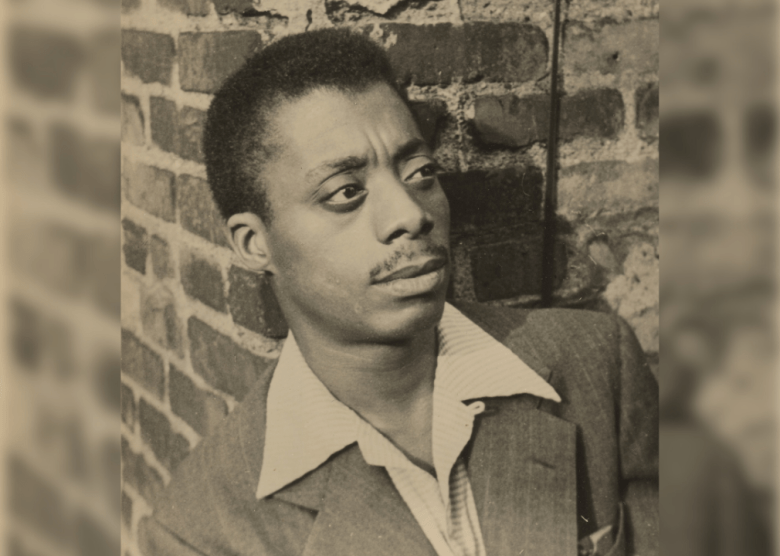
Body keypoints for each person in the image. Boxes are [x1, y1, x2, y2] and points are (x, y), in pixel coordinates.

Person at [138, 29, 658, 556]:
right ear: (255, 244)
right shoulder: (200, 530)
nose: (411, 214)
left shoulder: (598, 366)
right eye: (346, 193)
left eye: (421, 172)